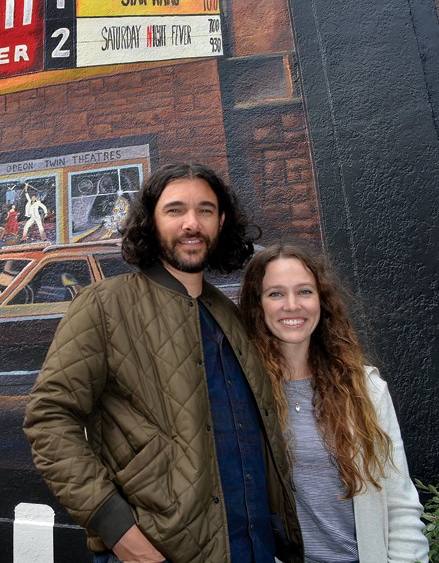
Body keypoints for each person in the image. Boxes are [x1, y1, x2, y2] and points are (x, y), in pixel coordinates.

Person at [23, 163, 303, 563]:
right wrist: (116, 529)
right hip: (156, 551)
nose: (192, 223)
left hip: (252, 547)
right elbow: (48, 418)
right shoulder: (105, 305)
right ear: (150, 221)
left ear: (221, 222)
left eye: (205, 210)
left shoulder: (229, 314)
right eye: (175, 210)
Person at [238, 243, 429, 563]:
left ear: (321, 301)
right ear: (258, 306)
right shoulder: (244, 394)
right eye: (275, 294)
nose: (292, 305)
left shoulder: (365, 390)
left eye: (304, 291)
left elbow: (401, 507)